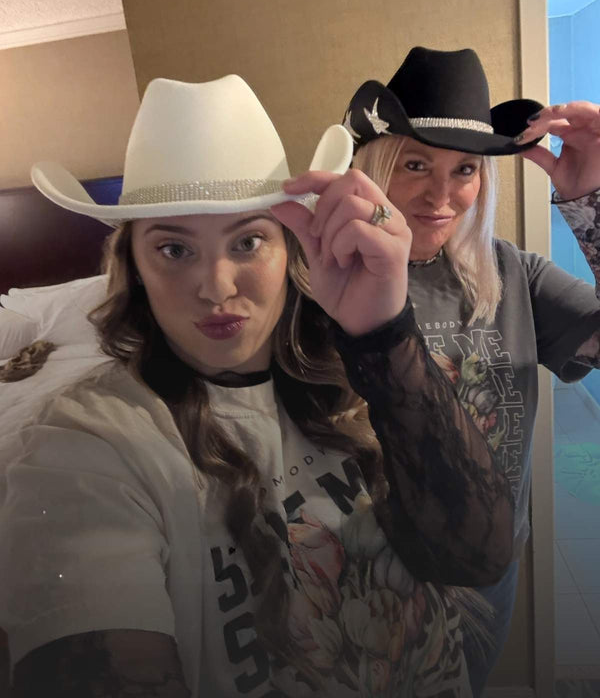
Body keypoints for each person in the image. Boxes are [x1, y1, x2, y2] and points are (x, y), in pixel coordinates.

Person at [0, 74, 514, 698]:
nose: (217, 287)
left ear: (290, 247)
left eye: (247, 241)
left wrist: (384, 332)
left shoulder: (364, 378)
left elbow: (479, 559)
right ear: (132, 265)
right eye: (173, 250)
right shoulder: (82, 445)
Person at [341, 46, 600, 696]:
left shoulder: (513, 275)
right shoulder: (328, 281)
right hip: (368, 564)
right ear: (373, 166)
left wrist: (593, 206)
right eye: (416, 163)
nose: (442, 193)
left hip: (488, 565)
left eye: (465, 169)